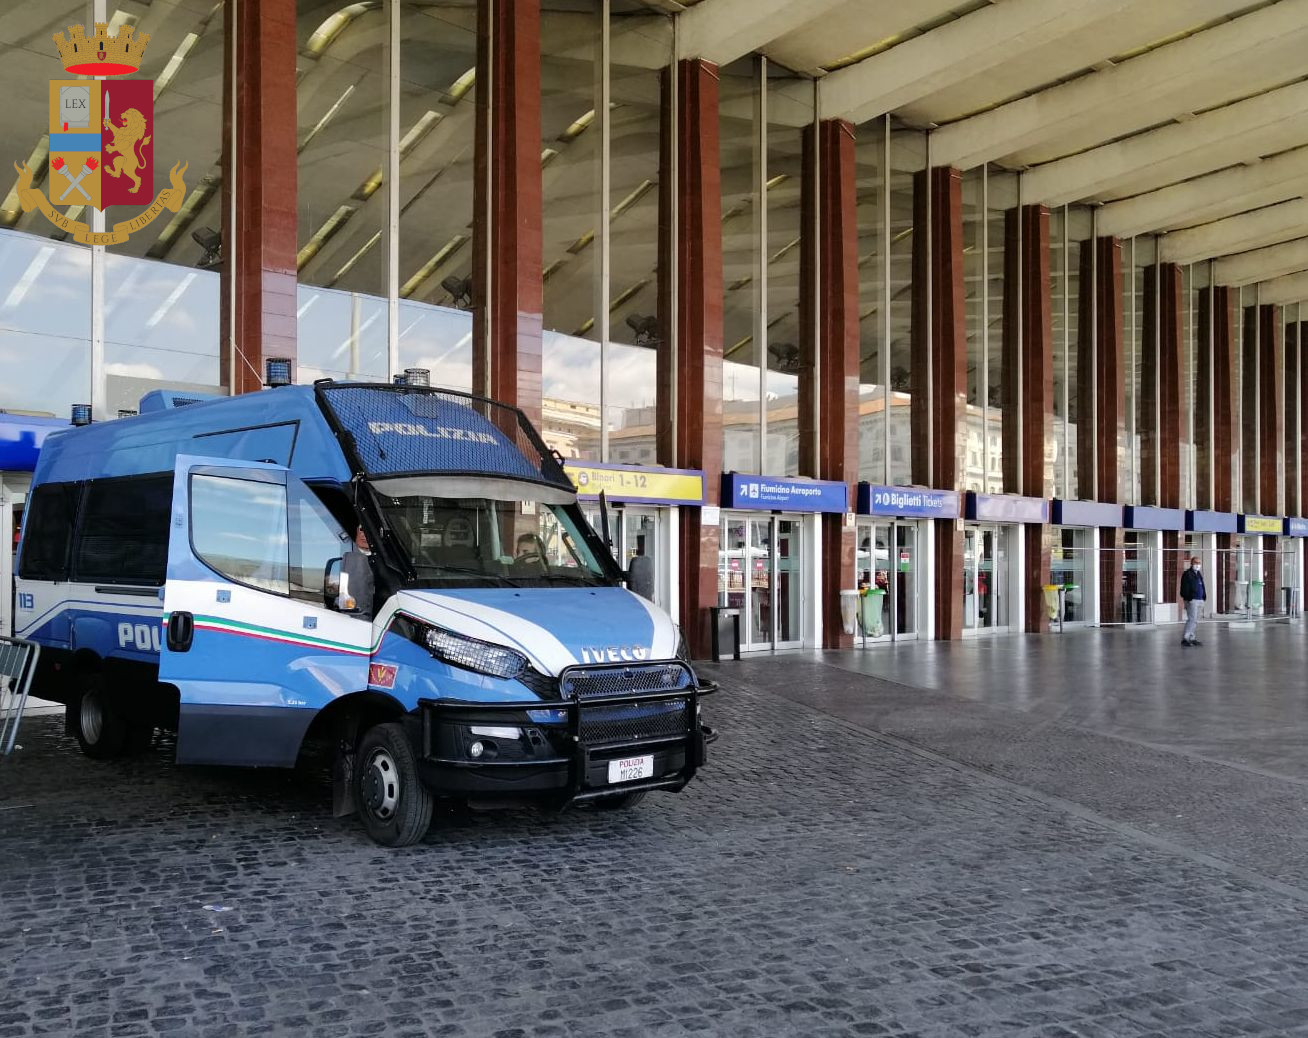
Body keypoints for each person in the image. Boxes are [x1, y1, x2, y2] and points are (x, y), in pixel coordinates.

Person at [339, 526, 375, 620]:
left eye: (369, 530)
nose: (364, 534)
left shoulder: (387, 561)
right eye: (362, 529)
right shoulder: (348, 557)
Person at [1179, 554, 1205, 647]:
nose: (1198, 564)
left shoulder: (1198, 574)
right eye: (1196, 563)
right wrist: (1188, 598)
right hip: (1192, 600)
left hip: (1200, 599)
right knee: (1191, 619)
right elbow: (1184, 588)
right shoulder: (1187, 574)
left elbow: (1201, 585)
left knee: (1195, 620)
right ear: (1191, 563)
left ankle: (1192, 637)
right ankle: (1185, 638)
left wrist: (1203, 596)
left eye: (1199, 563)